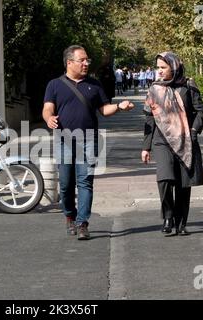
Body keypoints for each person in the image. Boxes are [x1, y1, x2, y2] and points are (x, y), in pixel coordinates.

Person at [43, 45, 135, 240]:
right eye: (82, 60)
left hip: (89, 139)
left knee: (85, 182)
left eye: (87, 60)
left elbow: (104, 110)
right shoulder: (55, 85)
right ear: (69, 63)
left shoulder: (94, 84)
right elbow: (47, 108)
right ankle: (70, 215)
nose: (86, 64)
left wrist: (119, 106)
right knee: (66, 184)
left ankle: (83, 222)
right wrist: (48, 118)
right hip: (64, 140)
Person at [141, 52, 203, 236]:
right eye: (158, 67)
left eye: (163, 67)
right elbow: (149, 119)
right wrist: (146, 147)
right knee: (165, 179)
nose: (159, 71)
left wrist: (193, 132)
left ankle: (181, 223)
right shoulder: (154, 90)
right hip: (161, 141)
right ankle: (168, 216)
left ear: (174, 67)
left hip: (186, 141)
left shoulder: (188, 86)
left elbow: (200, 112)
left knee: (184, 184)